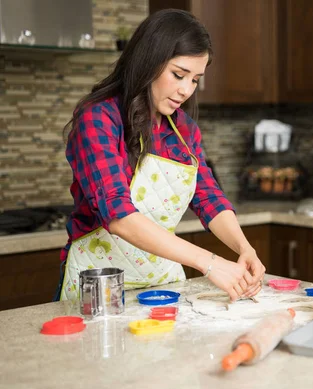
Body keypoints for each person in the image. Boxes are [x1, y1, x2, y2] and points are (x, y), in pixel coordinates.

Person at [56, 9, 265, 302]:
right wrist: (210, 262)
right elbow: (117, 215)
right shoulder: (99, 118)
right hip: (100, 286)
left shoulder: (183, 130)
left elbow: (208, 197)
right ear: (148, 61)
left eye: (195, 79)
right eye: (178, 74)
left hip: (163, 285)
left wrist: (245, 248)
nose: (185, 90)